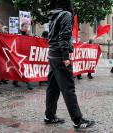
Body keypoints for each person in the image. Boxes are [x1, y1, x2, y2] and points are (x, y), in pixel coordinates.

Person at [45, 0, 95, 129]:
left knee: (53, 87)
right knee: (68, 88)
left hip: (52, 53)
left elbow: (54, 36)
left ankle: (49, 116)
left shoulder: (53, 15)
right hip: (60, 55)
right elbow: (64, 36)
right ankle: (78, 120)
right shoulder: (66, 15)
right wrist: (66, 56)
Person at [12, 23, 33, 90]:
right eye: (25, 27)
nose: (26, 28)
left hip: (26, 54)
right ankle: (19, 81)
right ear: (21, 28)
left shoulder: (29, 36)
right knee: (20, 68)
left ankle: (26, 82)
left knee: (25, 68)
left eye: (27, 27)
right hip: (19, 55)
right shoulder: (18, 35)